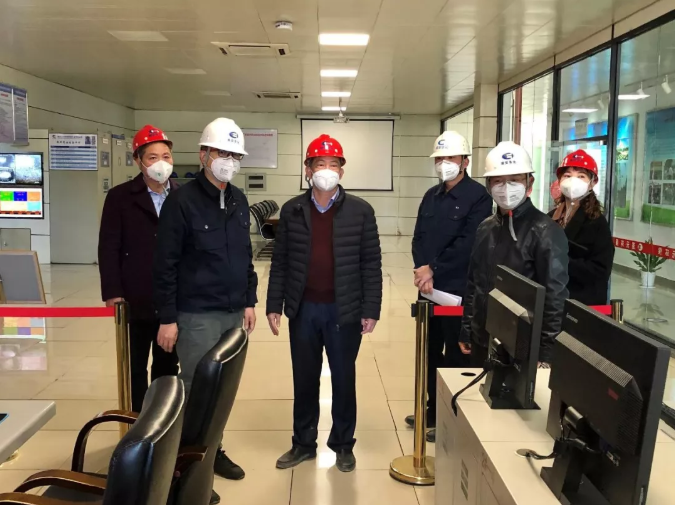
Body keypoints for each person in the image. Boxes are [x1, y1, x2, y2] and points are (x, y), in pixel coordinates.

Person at [266, 134, 382, 473]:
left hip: (344, 310)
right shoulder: (292, 210)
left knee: (344, 379)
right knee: (304, 378)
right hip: (303, 309)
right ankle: (303, 443)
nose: (327, 170)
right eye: (320, 164)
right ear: (308, 169)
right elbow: (281, 261)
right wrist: (274, 303)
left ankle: (343, 445)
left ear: (342, 172)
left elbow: (371, 263)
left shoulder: (361, 211)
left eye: (334, 165)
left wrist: (371, 308)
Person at [153, 118, 257, 490]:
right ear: (204, 154)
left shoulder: (239, 199)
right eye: (221, 153)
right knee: (197, 389)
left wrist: (249, 300)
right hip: (196, 314)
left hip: (233, 312)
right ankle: (186, 469)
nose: (228, 161)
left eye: (235, 155)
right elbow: (165, 264)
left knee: (222, 388)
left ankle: (213, 451)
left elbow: (245, 255)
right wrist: (168, 318)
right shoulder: (181, 202)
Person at [408, 131, 492, 443]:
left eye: (451, 158)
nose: (444, 163)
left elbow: (469, 243)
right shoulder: (431, 195)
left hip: (457, 291)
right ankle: (432, 409)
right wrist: (422, 270)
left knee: (456, 354)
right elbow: (418, 236)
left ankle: (453, 414)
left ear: (465, 162)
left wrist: (433, 268)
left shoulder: (478, 197)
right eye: (440, 158)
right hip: (428, 289)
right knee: (429, 352)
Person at [459, 141, 569, 367]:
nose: (506, 187)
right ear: (489, 185)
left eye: (515, 180)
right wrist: (468, 329)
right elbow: (474, 284)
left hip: (521, 347)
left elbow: (555, 298)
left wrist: (546, 352)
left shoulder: (546, 231)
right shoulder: (486, 228)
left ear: (529, 182)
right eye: (498, 180)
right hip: (483, 339)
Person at [98, 124, 179, 413]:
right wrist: (113, 291)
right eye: (152, 157)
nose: (161, 163)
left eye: (166, 156)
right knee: (134, 366)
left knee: (167, 365)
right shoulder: (120, 197)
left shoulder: (181, 196)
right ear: (138, 161)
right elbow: (108, 247)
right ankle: (136, 420)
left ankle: (162, 418)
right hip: (135, 296)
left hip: (172, 298)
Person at [549, 150, 614, 305]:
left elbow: (601, 271)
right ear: (559, 180)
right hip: (552, 298)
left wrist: (562, 261)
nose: (573, 181)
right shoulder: (550, 217)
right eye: (567, 175)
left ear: (592, 182)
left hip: (582, 303)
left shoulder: (597, 223)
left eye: (581, 176)